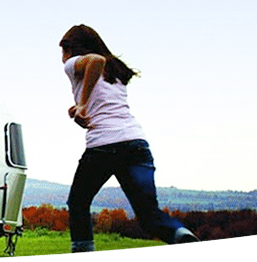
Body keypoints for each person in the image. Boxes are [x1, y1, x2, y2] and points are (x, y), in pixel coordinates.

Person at [59, 24, 199, 253]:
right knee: (148, 216)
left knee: (78, 203)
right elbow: (105, 98)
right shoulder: (116, 70)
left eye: (63, 51)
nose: (61, 58)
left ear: (72, 50)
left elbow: (95, 61)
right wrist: (78, 106)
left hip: (103, 146)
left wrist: (82, 105)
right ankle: (179, 234)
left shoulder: (72, 64)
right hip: (135, 143)